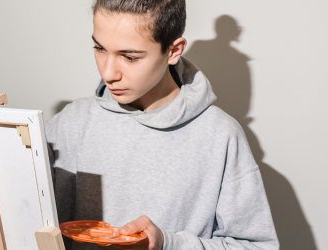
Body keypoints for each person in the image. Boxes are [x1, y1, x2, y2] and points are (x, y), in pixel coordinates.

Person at [45, 0, 279, 249]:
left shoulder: (220, 137)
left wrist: (167, 244)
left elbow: (257, 247)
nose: (108, 73)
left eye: (129, 57)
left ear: (173, 50)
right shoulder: (70, 123)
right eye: (99, 48)